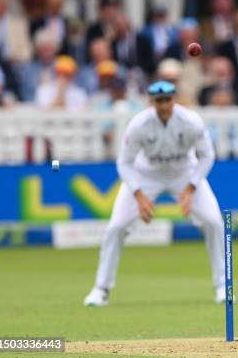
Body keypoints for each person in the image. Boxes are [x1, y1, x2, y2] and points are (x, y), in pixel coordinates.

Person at [84, 81, 225, 307]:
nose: (164, 105)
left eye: (168, 100)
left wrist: (190, 188)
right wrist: (139, 196)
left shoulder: (191, 122)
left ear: (174, 100)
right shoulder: (139, 124)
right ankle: (101, 289)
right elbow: (124, 162)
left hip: (184, 171)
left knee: (214, 222)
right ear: (151, 102)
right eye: (159, 101)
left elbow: (207, 156)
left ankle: (223, 286)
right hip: (146, 173)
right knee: (116, 227)